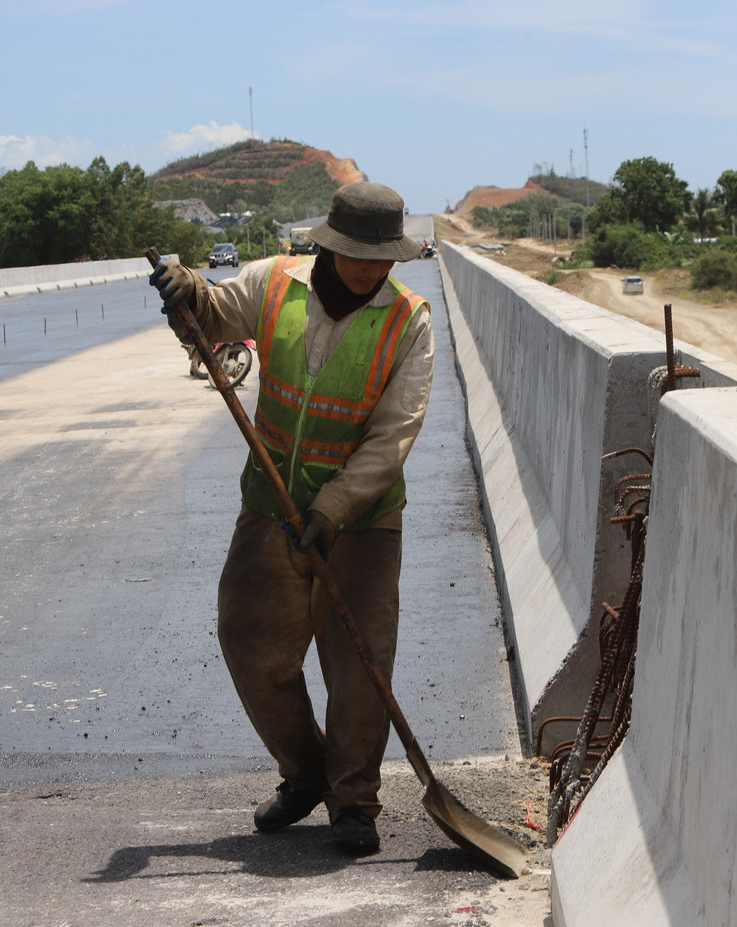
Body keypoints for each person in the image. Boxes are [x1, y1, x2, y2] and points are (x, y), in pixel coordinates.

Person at [149, 182, 434, 854]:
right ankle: (307, 774)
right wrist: (185, 289)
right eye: (359, 254)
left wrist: (334, 509)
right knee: (247, 636)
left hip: (362, 521)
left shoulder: (409, 321)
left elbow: (393, 435)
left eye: (382, 256)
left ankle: (355, 802)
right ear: (330, 245)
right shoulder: (273, 282)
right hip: (271, 503)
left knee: (359, 662)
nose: (371, 268)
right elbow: (212, 316)